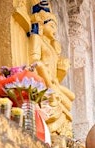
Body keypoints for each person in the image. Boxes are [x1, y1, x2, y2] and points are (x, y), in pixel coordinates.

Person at [28, 0, 75, 137]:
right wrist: (48, 83)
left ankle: (54, 94)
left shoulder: (53, 48)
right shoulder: (37, 38)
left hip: (53, 82)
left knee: (71, 98)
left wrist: (62, 70)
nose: (55, 31)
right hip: (42, 79)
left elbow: (57, 75)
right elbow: (35, 62)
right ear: (43, 24)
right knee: (58, 100)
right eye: (52, 26)